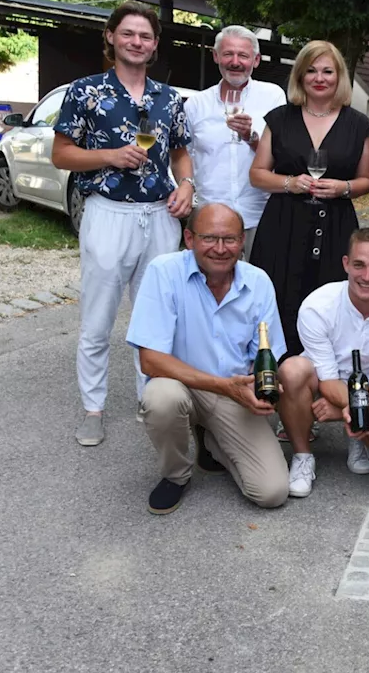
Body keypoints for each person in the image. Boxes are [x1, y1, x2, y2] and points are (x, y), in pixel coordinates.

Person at [51, 2, 194, 447]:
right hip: (109, 212)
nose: (137, 42)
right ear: (111, 37)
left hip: (160, 216)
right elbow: (61, 154)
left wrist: (186, 184)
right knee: (98, 318)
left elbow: (180, 152)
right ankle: (93, 407)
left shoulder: (169, 98)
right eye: (128, 33)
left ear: (154, 46)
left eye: (145, 36)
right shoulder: (86, 91)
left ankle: (149, 397)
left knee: (156, 318)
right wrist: (110, 156)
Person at [127, 203, 289, 514]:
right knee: (161, 398)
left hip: (234, 393)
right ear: (189, 239)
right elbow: (150, 360)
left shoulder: (258, 282)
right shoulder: (164, 271)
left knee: (272, 492)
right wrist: (222, 386)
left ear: (242, 241)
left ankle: (212, 440)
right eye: (209, 238)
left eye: (229, 239)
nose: (220, 248)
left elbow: (265, 357)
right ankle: (176, 475)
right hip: (180, 384)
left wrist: (263, 387)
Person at [247, 40, 369, 360]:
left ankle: (323, 376)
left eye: (328, 71)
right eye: (312, 71)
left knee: (329, 301)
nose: (320, 77)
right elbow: (257, 174)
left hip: (335, 225)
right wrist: (290, 182)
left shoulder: (358, 124)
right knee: (276, 299)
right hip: (283, 223)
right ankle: (271, 371)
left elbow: (366, 181)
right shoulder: (279, 118)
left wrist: (343, 188)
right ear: (301, 76)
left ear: (339, 77)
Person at [276, 229, 369, 498]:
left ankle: (358, 433)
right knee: (291, 370)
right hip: (320, 378)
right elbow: (328, 381)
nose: (366, 276)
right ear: (345, 264)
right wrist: (356, 407)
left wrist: (348, 409)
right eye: (359, 265)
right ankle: (303, 456)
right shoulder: (317, 305)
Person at [184, 25, 286, 260]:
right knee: (209, 286)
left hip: (257, 214)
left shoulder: (273, 97)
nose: (235, 62)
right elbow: (183, 156)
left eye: (243, 55)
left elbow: (283, 156)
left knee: (257, 284)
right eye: (228, 54)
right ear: (216, 56)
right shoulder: (196, 104)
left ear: (256, 60)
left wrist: (250, 138)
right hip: (210, 216)